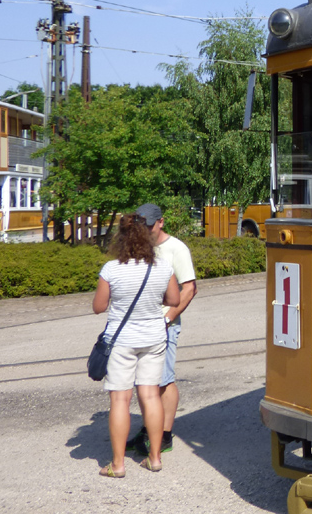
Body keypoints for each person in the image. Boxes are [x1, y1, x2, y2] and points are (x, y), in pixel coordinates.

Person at [93, 213, 180, 477]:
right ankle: (154, 458)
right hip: (154, 339)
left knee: (120, 398)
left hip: (122, 342)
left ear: (120, 239)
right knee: (151, 395)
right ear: (146, 237)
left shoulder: (111, 269)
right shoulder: (162, 267)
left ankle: (118, 465)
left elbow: (98, 307)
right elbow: (174, 299)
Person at [125, 203, 197, 456]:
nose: (144, 231)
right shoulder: (138, 247)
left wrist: (168, 319)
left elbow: (189, 289)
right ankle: (149, 430)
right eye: (140, 227)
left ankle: (164, 435)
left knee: (163, 381)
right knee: (145, 383)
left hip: (164, 325)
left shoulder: (176, 248)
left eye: (148, 226)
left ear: (161, 222)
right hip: (139, 325)